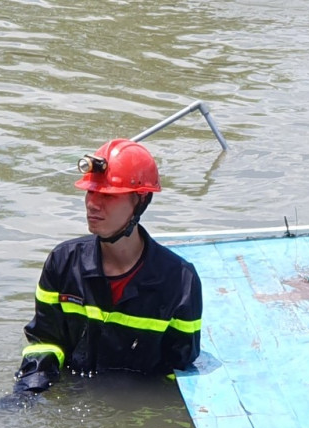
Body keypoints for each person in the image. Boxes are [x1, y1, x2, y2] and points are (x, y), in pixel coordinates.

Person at [12, 138, 203, 397]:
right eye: (90, 192)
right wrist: (26, 395)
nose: (93, 204)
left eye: (107, 196)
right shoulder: (62, 262)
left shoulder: (180, 283)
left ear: (141, 200)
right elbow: (45, 342)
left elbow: (177, 370)